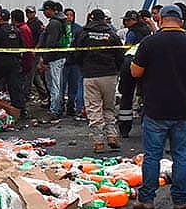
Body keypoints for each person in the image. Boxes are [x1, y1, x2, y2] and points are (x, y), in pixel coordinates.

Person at [131, 4, 186, 209]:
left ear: (161, 19)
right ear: (181, 21)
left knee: (152, 156)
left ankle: (147, 200)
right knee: (182, 156)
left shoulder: (149, 43)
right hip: (184, 108)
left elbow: (136, 72)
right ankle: (180, 202)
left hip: (156, 108)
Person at [74, 9, 125, 152]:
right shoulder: (111, 34)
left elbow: (77, 53)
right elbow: (120, 55)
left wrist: (83, 66)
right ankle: (112, 136)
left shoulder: (84, 34)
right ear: (104, 19)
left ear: (91, 18)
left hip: (91, 75)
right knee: (109, 106)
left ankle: (98, 142)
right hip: (109, 75)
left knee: (93, 108)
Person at [117, 10, 152, 137]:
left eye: (127, 20)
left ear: (134, 20)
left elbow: (127, 48)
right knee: (145, 95)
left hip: (130, 63)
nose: (125, 22)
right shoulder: (147, 30)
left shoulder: (132, 32)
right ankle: (146, 125)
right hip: (146, 63)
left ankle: (124, 128)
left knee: (126, 95)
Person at [37, 0, 68, 119]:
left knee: (55, 85)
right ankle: (57, 108)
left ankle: (55, 110)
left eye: (45, 10)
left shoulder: (55, 23)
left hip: (54, 58)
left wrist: (44, 60)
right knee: (57, 84)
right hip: (60, 56)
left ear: (50, 10)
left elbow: (51, 43)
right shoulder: (62, 21)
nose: (44, 13)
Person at [61, 8, 84, 117]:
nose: (69, 17)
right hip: (63, 61)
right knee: (61, 85)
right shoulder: (61, 27)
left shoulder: (78, 29)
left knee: (74, 86)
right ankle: (60, 106)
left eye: (71, 15)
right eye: (67, 15)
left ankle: (71, 106)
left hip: (74, 62)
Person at [11, 9, 35, 99]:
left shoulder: (22, 29)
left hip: (24, 61)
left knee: (20, 84)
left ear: (14, 19)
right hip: (26, 60)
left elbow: (24, 46)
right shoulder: (24, 27)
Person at [25, 5, 47, 98]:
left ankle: (26, 94)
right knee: (35, 76)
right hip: (29, 51)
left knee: (30, 75)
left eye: (31, 12)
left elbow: (41, 38)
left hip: (34, 52)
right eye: (27, 12)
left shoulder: (38, 23)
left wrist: (36, 49)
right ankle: (44, 94)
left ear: (34, 13)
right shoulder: (28, 23)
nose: (29, 14)